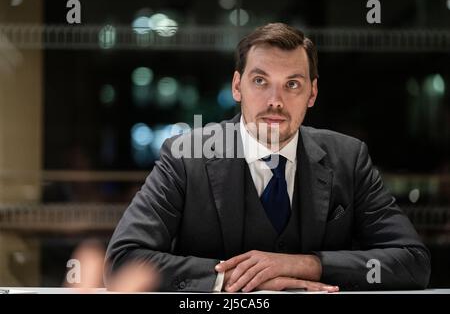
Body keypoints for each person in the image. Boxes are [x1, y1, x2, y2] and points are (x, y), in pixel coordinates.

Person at [105, 23, 431, 292]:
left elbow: (413, 262)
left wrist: (306, 265)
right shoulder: (185, 157)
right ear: (237, 86)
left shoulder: (349, 158)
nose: (275, 100)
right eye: (260, 81)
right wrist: (244, 278)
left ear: (312, 93)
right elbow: (124, 261)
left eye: (292, 84)